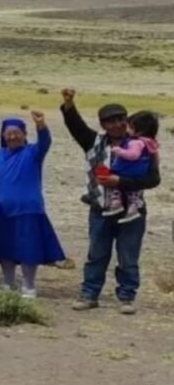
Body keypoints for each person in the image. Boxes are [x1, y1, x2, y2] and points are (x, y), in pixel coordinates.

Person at [60, 89, 160, 315]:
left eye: (120, 119)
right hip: (100, 209)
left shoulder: (144, 145)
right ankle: (89, 295)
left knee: (128, 256)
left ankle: (127, 297)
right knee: (97, 254)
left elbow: (154, 179)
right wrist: (68, 104)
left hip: (132, 211)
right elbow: (75, 126)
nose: (116, 125)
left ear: (127, 120)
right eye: (110, 121)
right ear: (103, 125)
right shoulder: (93, 142)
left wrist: (120, 181)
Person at [0, 111, 65, 299]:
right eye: (9, 133)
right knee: (5, 248)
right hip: (0, 209)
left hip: (28, 209)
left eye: (17, 132)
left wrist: (41, 125)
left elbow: (45, 141)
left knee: (28, 248)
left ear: (25, 134)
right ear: (3, 135)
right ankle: (8, 284)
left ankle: (29, 286)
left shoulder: (33, 152)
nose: (12, 136)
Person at [104, 111, 159, 224]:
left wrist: (118, 150)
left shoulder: (136, 142)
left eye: (129, 127)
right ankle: (132, 206)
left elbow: (133, 155)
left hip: (128, 169)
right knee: (133, 192)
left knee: (112, 177)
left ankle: (116, 202)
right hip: (141, 171)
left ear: (137, 129)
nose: (126, 129)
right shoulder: (150, 142)